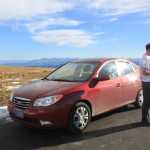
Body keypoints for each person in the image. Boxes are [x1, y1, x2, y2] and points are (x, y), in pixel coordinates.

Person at [141, 43, 150, 124]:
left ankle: (146, 118)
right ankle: (144, 119)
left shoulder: (148, 57)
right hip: (146, 83)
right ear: (148, 49)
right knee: (147, 101)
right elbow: (143, 72)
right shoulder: (144, 58)